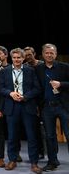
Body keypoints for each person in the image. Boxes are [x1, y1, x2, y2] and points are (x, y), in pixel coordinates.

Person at [0, 48, 42, 173]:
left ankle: (34, 163)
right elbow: (1, 88)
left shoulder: (30, 70)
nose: (17, 60)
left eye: (19, 57)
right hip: (12, 107)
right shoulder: (4, 72)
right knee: (12, 136)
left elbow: (37, 88)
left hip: (27, 106)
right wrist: (11, 93)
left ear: (23, 58)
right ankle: (12, 160)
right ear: (11, 58)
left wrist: (26, 96)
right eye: (14, 58)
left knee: (32, 136)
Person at [36, 43, 69, 171]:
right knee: (50, 136)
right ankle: (52, 162)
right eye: (47, 53)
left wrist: (61, 84)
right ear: (43, 54)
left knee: (68, 134)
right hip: (47, 108)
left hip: (63, 107)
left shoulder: (65, 67)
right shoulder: (38, 69)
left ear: (56, 54)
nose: (49, 55)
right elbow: (37, 88)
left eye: (52, 53)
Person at [24, 46, 46, 160]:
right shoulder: (25, 67)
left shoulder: (42, 65)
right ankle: (38, 152)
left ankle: (47, 152)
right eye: (26, 55)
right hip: (31, 100)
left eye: (29, 54)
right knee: (34, 128)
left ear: (34, 54)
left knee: (46, 129)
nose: (28, 57)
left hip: (44, 100)